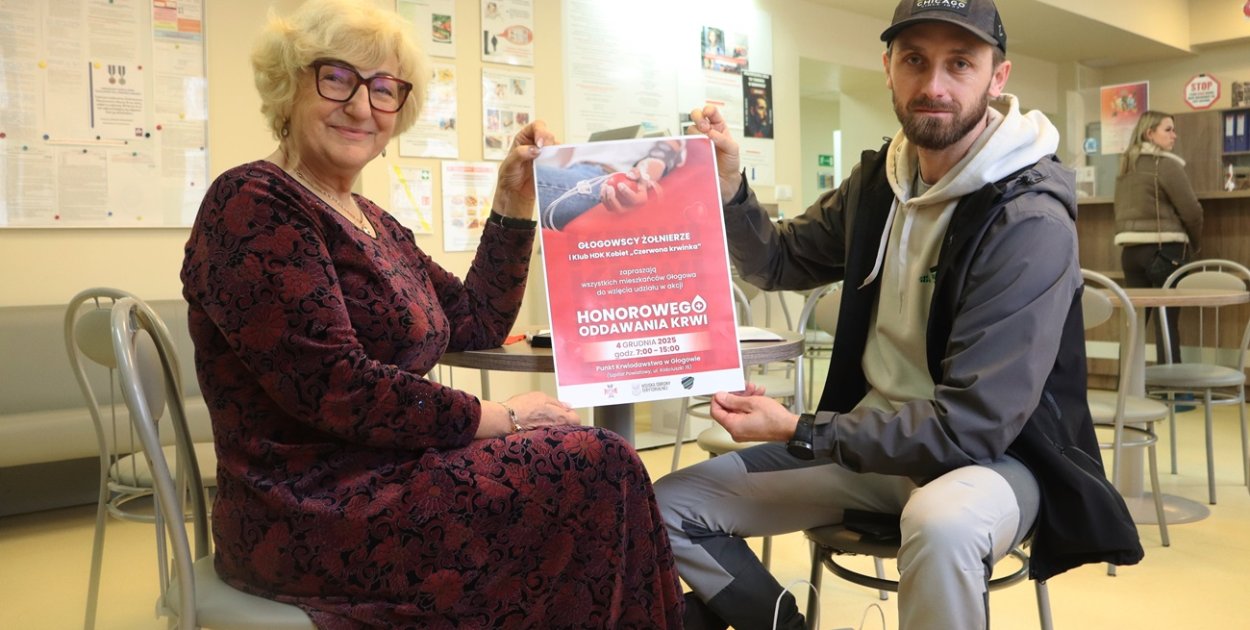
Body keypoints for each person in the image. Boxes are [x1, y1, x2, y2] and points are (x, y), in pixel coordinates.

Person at [179, 1, 683, 627]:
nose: (361, 107)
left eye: (383, 88)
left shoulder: (373, 221)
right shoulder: (253, 200)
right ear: (289, 86)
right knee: (597, 465)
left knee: (600, 466)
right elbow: (334, 386)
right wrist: (501, 417)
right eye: (337, 78)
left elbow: (474, 321)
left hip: (385, 472)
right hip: (306, 504)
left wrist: (512, 198)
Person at [656, 1, 1143, 628]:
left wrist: (799, 428)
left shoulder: (1028, 218)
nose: (934, 85)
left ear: (997, 78)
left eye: (959, 63)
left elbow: (973, 427)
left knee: (940, 525)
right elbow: (778, 261)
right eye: (915, 60)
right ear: (888, 68)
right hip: (872, 449)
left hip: (996, 463)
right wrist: (727, 184)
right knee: (663, 506)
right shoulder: (881, 182)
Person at [1113, 111, 1203, 365]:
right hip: (1165, 251)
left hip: (1131, 253)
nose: (1175, 135)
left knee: (1134, 324)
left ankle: (1127, 385)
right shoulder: (1165, 164)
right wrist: (1195, 244)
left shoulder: (1126, 165)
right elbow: (1192, 211)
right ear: (1149, 133)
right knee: (1166, 323)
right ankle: (1171, 385)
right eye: (1168, 129)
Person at [536, 139, 685, 231]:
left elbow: (664, 151)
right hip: (572, 171)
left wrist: (643, 177)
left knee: (527, 180)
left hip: (611, 179)